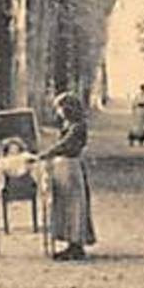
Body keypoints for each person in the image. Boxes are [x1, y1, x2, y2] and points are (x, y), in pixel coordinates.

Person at [42, 91, 96, 261]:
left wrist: (46, 154)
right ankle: (71, 243)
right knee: (66, 205)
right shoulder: (69, 125)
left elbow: (64, 145)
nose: (58, 112)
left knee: (74, 205)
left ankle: (76, 245)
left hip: (71, 167)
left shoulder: (77, 127)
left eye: (59, 108)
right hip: (64, 167)